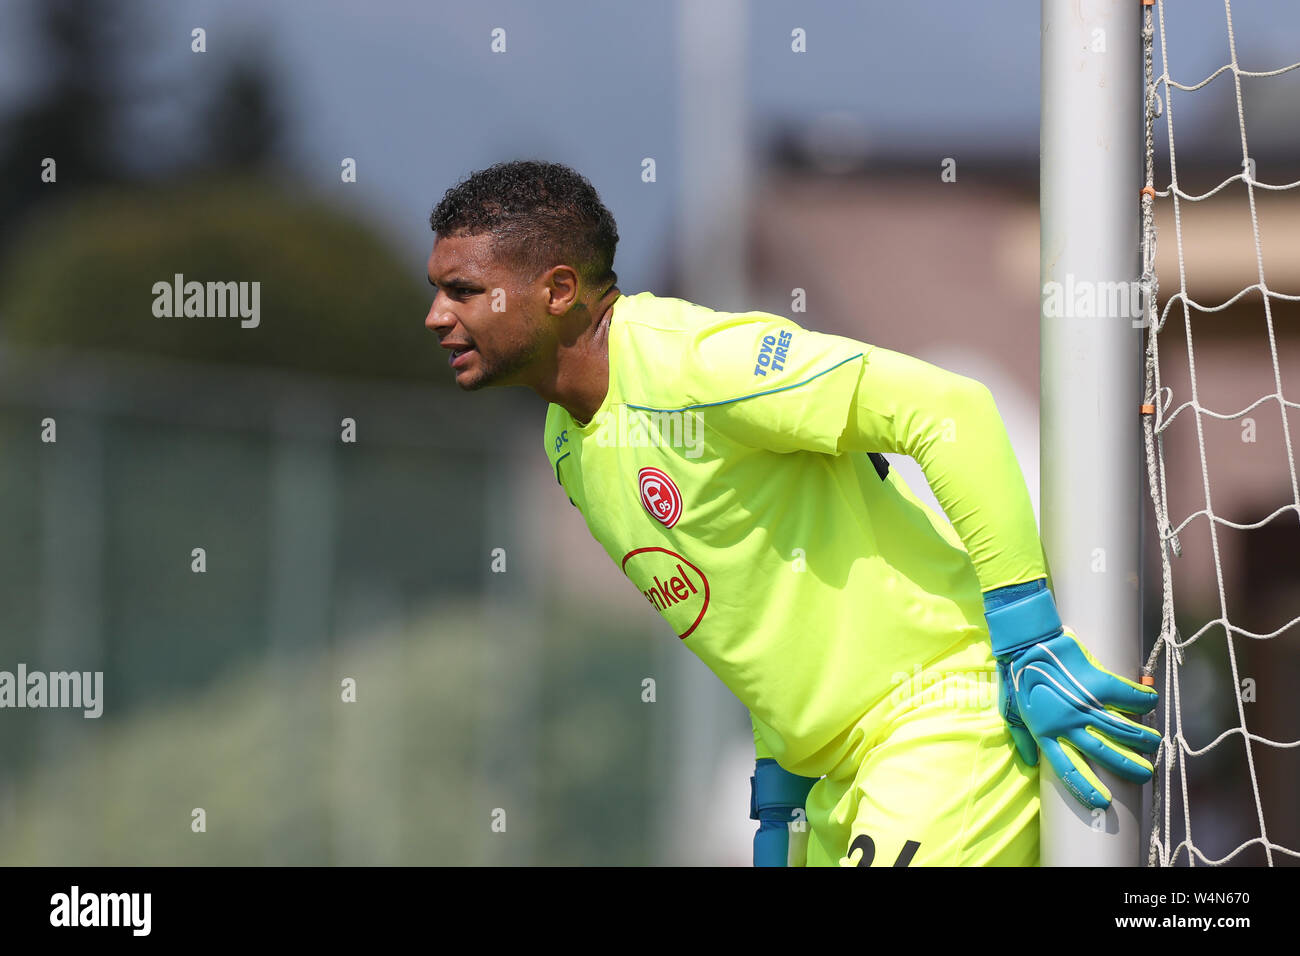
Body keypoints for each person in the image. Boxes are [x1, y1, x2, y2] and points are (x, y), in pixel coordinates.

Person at [424, 159, 1162, 866]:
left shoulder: (696, 363)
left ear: (557, 290)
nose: (435, 316)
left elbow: (950, 410)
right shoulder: (567, 439)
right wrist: (783, 777)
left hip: (939, 723)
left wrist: (1027, 636)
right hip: (839, 778)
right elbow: (755, 601)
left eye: (461, 290)